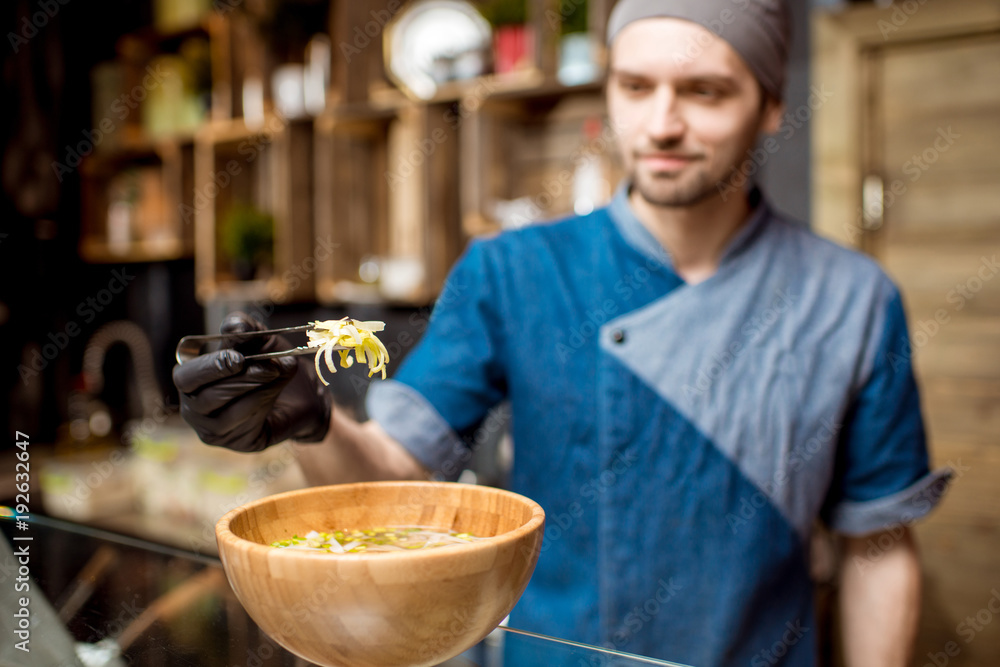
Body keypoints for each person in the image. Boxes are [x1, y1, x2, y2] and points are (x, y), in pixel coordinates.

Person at [174, 1, 952, 664]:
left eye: (706, 91)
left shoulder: (849, 299)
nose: (662, 123)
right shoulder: (514, 272)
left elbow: (878, 546)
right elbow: (393, 470)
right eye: (635, 86)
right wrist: (310, 422)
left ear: (773, 103)